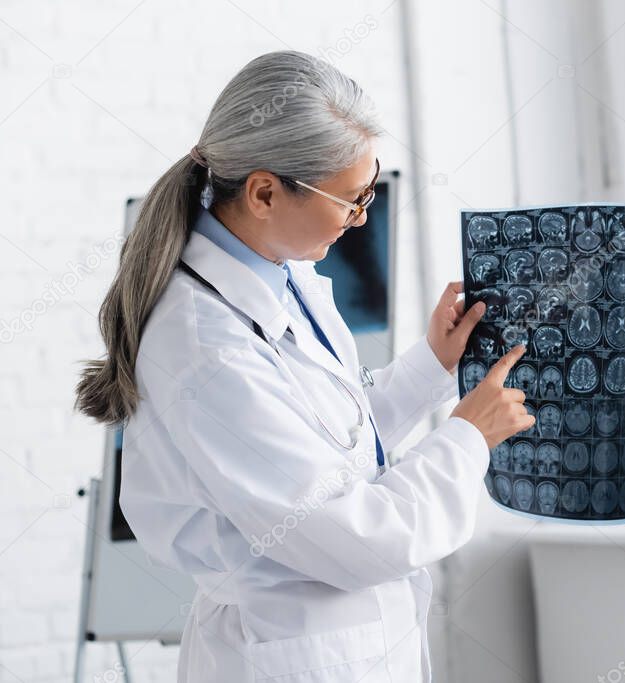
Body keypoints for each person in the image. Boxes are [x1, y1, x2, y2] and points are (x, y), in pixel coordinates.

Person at [74, 51, 534, 683]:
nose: (363, 216)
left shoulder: (281, 273)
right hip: (288, 657)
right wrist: (467, 438)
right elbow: (356, 534)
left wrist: (431, 366)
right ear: (265, 192)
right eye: (352, 198)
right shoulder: (205, 344)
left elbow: (326, 445)